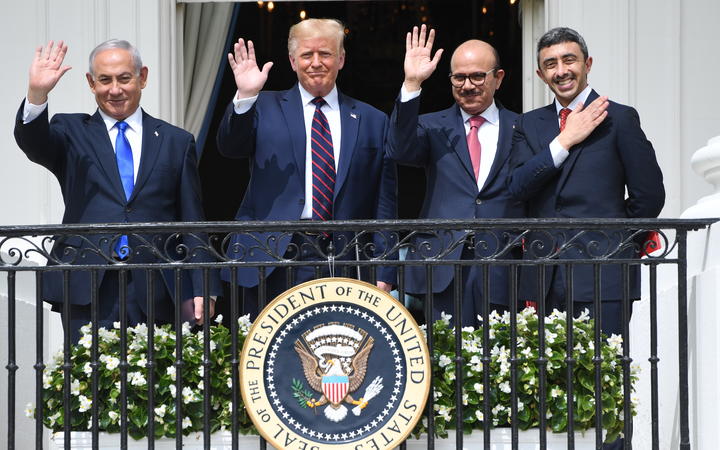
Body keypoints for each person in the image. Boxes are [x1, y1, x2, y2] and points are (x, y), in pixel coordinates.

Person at [14, 40, 220, 342]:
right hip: (88, 283)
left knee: (155, 385)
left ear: (143, 77)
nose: (115, 89)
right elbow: (33, 143)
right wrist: (37, 94)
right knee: (89, 385)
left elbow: (192, 220)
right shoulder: (72, 132)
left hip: (157, 286)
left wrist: (204, 286)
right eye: (105, 80)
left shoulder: (176, 141)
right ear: (91, 83)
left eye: (124, 78)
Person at [216, 18, 397, 318]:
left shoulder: (372, 120)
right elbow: (230, 148)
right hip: (272, 259)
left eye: (325, 54)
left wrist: (384, 269)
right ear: (292, 60)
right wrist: (245, 96)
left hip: (346, 260)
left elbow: (384, 201)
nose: (316, 63)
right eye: (306, 55)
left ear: (341, 59)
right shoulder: (262, 106)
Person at [507, 27, 665, 336]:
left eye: (569, 60)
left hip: (604, 272)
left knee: (602, 376)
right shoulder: (527, 124)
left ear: (588, 64)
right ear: (540, 74)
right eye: (551, 64)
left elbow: (649, 196)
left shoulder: (619, 118)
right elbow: (518, 186)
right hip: (544, 277)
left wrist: (617, 244)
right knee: (546, 380)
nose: (561, 71)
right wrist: (563, 141)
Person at [385, 25, 524, 327]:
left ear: (498, 79)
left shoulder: (523, 128)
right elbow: (399, 149)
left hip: (502, 264)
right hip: (443, 263)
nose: (468, 85)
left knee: (499, 362)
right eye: (459, 77)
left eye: (477, 76)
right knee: (444, 359)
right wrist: (412, 82)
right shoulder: (433, 126)